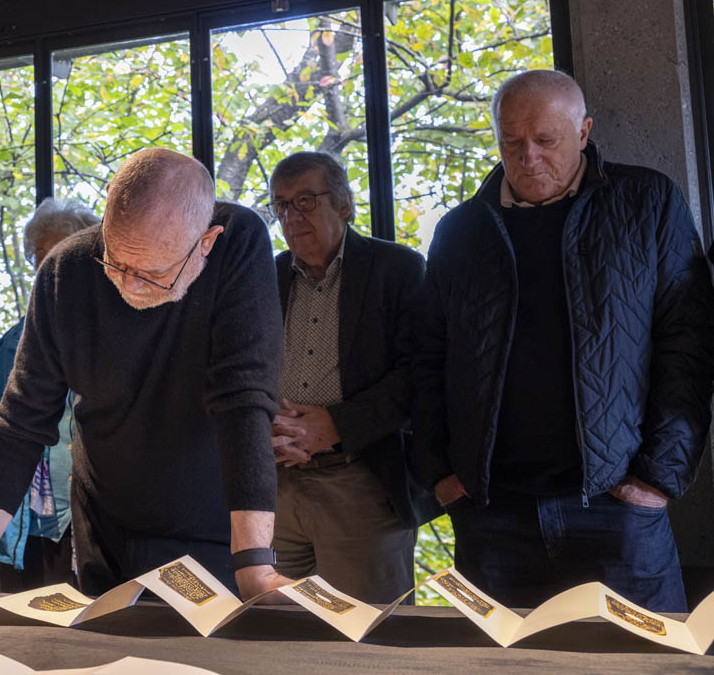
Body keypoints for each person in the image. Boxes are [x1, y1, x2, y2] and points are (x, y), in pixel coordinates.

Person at [411, 69, 714, 612]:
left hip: (617, 507)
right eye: (511, 142)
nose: (527, 157)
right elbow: (427, 356)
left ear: (584, 132)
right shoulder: (460, 230)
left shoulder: (647, 202)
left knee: (647, 668)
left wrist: (657, 478)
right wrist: (441, 473)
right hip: (491, 512)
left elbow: (688, 344)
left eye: (546, 141)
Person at [0, 148, 289, 600]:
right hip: (104, 527)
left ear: (205, 242)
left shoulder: (238, 244)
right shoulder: (65, 271)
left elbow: (244, 399)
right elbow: (18, 423)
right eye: (116, 261)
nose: (130, 284)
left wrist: (255, 567)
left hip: (213, 527)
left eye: (153, 274)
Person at [268, 152, 438, 604]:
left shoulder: (397, 268)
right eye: (281, 205)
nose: (291, 216)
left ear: (344, 204)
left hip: (361, 481)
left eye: (305, 200)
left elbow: (418, 375)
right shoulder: (265, 277)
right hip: (275, 487)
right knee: (269, 635)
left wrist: (336, 426)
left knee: (369, 640)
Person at [0, 198, 99, 591]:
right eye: (39, 262)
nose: (45, 273)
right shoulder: (18, 338)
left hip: (92, 518)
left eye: (56, 259)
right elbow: (0, 434)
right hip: (24, 522)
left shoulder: (112, 336)